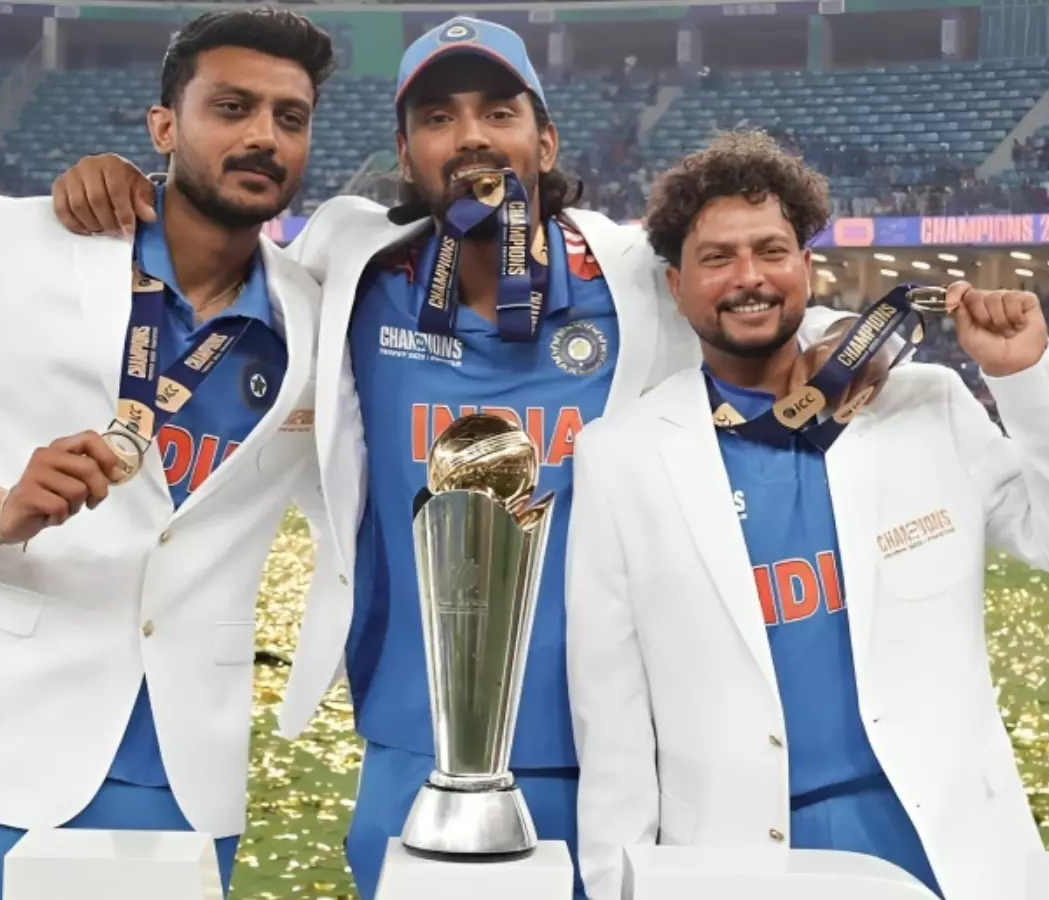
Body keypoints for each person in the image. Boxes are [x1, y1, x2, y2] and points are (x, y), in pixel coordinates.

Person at [48, 19, 882, 898]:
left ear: (545, 142)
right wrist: (123, 183)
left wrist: (839, 336)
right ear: (406, 155)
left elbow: (742, 295)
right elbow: (217, 244)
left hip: (608, 748)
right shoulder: (352, 261)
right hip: (411, 738)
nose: (472, 136)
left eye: (499, 112)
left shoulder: (631, 275)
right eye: (439, 117)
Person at [0, 10, 337, 899]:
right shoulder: (15, 242)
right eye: (232, 107)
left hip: (179, 774)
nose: (263, 135)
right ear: (164, 126)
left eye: (290, 117)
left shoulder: (319, 313)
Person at [564, 131, 1049, 900]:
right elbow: (614, 725)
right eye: (717, 257)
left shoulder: (924, 404)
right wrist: (615, 884)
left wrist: (1025, 378)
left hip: (947, 851)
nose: (748, 277)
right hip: (737, 865)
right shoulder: (621, 457)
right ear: (676, 285)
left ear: (806, 266)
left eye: (771, 251)